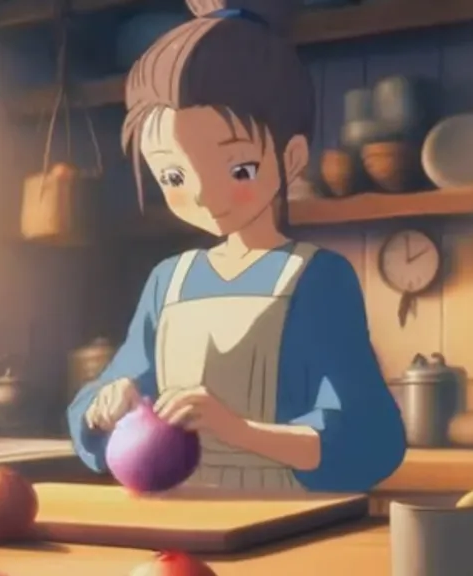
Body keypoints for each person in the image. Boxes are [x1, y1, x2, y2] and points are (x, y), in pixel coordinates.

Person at [66, 0, 407, 493]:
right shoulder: (168, 280)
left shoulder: (317, 278)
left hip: (280, 520)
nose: (204, 194)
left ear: (290, 158)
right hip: (179, 521)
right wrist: (106, 403)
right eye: (174, 175)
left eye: (238, 169)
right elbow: (112, 390)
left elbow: (369, 436)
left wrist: (237, 429)